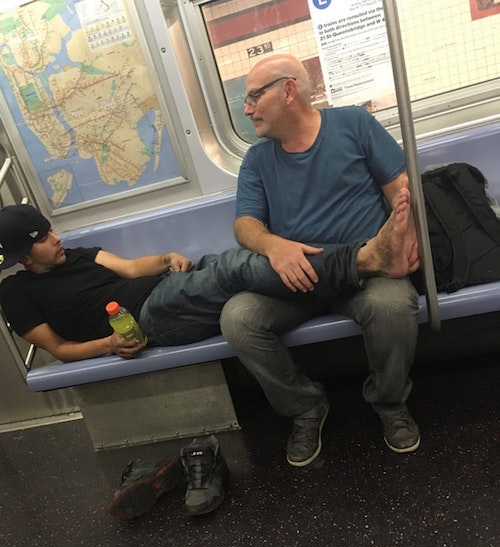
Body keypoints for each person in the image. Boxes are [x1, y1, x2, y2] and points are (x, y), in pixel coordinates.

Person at [0, 197, 416, 517]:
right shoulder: (15, 293)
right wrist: (109, 345)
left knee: (234, 267)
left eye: (49, 230)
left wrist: (164, 259)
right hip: (150, 318)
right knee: (235, 270)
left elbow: (129, 269)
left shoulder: (72, 256)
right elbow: (59, 349)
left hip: (169, 286)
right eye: (41, 238)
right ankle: (364, 261)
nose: (55, 238)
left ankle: (358, 271)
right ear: (22, 255)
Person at [219, 53, 421, 469]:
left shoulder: (353, 124)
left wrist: (408, 236)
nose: (247, 107)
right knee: (237, 318)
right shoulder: (257, 160)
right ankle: (306, 407)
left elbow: (399, 189)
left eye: (255, 95)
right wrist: (275, 245)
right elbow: (245, 226)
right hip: (298, 279)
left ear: (288, 90)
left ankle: (389, 404)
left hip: (371, 275)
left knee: (392, 307)